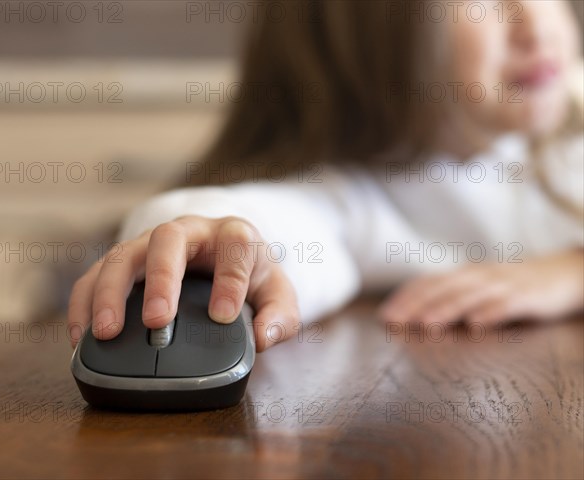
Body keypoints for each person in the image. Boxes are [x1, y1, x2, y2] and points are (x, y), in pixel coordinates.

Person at [68, 0, 584, 352]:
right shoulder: (360, 195)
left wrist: (572, 273)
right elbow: (277, 223)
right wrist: (203, 230)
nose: (534, 27)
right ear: (368, 36)